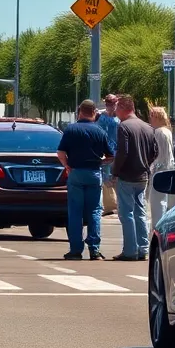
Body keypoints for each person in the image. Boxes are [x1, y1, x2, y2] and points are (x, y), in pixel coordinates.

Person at [56, 99, 111, 260]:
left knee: (75, 212)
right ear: (94, 112)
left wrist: (67, 166)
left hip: (76, 173)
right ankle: (94, 249)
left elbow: (60, 153)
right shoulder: (100, 131)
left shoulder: (71, 130)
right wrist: (100, 162)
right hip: (94, 173)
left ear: (79, 111)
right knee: (94, 211)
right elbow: (111, 155)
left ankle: (75, 250)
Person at [112, 95, 158, 261]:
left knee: (126, 213)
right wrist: (146, 164)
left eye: (117, 108)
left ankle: (130, 250)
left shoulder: (124, 127)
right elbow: (155, 152)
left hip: (127, 176)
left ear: (124, 108)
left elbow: (122, 152)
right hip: (143, 176)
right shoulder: (147, 127)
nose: (115, 112)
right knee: (140, 212)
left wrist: (115, 171)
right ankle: (143, 248)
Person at [145, 106, 175, 227]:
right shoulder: (167, 131)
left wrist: (152, 169)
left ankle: (157, 228)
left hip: (159, 170)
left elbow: (159, 154)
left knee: (157, 203)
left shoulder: (158, 132)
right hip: (167, 169)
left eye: (151, 116)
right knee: (163, 201)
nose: (149, 119)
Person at [96, 94, 121, 215]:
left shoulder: (120, 118)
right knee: (105, 178)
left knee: (116, 178)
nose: (111, 106)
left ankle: (117, 205)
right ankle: (107, 206)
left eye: (113, 104)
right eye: (108, 104)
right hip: (106, 152)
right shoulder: (101, 117)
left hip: (118, 152)